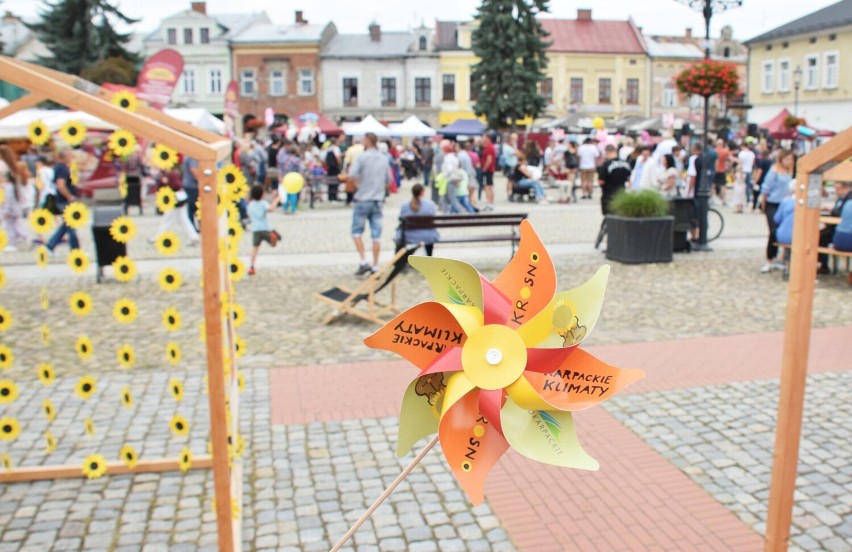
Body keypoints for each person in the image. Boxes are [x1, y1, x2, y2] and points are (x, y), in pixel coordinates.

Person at [349, 132, 392, 275]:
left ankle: (363, 261)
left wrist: (359, 186)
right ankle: (375, 265)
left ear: (367, 141)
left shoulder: (361, 157)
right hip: (377, 199)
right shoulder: (383, 159)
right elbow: (389, 181)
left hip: (363, 198)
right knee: (376, 235)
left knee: (356, 232)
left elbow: (352, 174)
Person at [759, 149, 795, 273]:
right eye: (787, 159)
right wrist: (763, 203)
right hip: (773, 203)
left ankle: (782, 257)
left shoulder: (789, 172)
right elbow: (766, 188)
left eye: (791, 159)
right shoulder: (774, 171)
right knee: (773, 231)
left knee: (784, 229)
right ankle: (770, 258)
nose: (790, 161)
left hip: (784, 203)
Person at [151, 167, 199, 246]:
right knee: (183, 220)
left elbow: (177, 186)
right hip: (174, 201)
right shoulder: (164, 175)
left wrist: (166, 183)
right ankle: (194, 237)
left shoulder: (172, 174)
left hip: (174, 200)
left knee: (167, 220)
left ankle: (157, 238)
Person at [45, 148, 80, 253]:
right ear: (64, 157)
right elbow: (61, 185)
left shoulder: (60, 167)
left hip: (62, 200)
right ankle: (75, 250)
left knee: (66, 226)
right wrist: (69, 197)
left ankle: (50, 245)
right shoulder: (61, 169)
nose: (71, 158)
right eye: (69, 156)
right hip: (64, 200)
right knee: (71, 225)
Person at [397, 183, 439, 256]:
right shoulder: (430, 204)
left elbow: (401, 218)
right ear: (422, 192)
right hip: (428, 235)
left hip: (409, 235)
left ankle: (402, 259)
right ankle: (429, 256)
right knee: (429, 235)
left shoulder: (405, 205)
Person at [246, 184, 280, 275]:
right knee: (274, 244)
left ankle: (251, 267)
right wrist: (276, 199)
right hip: (265, 228)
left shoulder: (250, 205)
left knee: (255, 248)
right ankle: (274, 236)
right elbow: (271, 209)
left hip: (255, 230)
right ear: (262, 194)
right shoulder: (263, 203)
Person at [819, 180, 852, 271]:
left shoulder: (849, 198)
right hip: (836, 228)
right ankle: (822, 264)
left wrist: (832, 210)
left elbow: (840, 212)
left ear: (846, 188)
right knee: (820, 236)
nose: (836, 191)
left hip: (840, 230)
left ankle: (823, 265)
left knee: (822, 236)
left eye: (838, 189)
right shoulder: (841, 198)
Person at [0, 146, 27, 250]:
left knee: (5, 217)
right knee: (12, 221)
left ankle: (13, 240)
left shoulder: (1, 164)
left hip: (4, 191)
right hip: (13, 193)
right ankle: (20, 238)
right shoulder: (13, 166)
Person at [597, 144, 631, 215]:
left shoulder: (607, 164)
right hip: (621, 192)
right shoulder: (625, 163)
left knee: (609, 215)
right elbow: (629, 178)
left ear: (607, 152)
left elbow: (601, 181)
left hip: (609, 194)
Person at [277, 144, 303, 214]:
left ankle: (285, 208)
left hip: (285, 177)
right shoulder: (297, 160)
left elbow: (280, 168)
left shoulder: (284, 159)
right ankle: (293, 209)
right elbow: (300, 170)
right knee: (293, 194)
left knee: (285, 193)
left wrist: (280, 177)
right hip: (294, 178)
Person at [773, 180, 797, 247]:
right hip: (798, 236)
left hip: (783, 234)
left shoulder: (785, 201)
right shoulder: (803, 203)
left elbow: (776, 219)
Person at [182, 155, 200, 231]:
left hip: (189, 184)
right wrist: (203, 179)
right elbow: (194, 170)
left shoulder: (188, 156)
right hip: (192, 185)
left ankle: (193, 227)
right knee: (194, 207)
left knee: (191, 208)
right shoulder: (192, 157)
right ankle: (193, 227)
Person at [736, 141, 756, 208]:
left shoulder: (741, 153)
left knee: (741, 187)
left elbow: (740, 162)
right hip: (749, 170)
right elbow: (753, 163)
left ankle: (741, 201)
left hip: (743, 171)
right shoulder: (752, 153)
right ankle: (748, 200)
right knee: (748, 187)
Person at [480, 134, 496, 211]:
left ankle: (489, 203)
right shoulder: (489, 146)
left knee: (487, 187)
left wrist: (484, 169)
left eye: (483, 137)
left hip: (488, 170)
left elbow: (489, 160)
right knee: (489, 187)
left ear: (487, 138)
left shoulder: (489, 147)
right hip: (490, 170)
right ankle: (490, 203)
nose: (482, 138)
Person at [713, 138, 731, 205]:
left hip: (715, 170)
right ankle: (723, 200)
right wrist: (728, 167)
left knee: (713, 185)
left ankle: (714, 198)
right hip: (722, 170)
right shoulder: (725, 151)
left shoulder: (714, 151)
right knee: (723, 185)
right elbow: (729, 160)